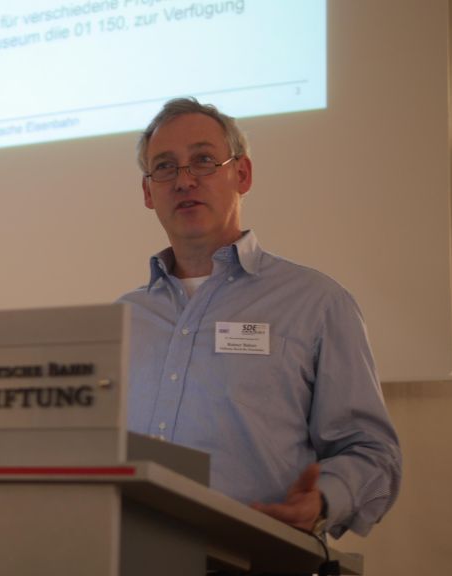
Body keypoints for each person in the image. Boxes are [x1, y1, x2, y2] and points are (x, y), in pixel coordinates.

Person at [118, 97, 402, 538]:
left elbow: (371, 451)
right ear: (147, 191)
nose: (185, 180)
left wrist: (323, 500)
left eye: (204, 161)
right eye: (165, 167)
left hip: (255, 559)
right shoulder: (122, 318)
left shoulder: (316, 303)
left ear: (242, 174)